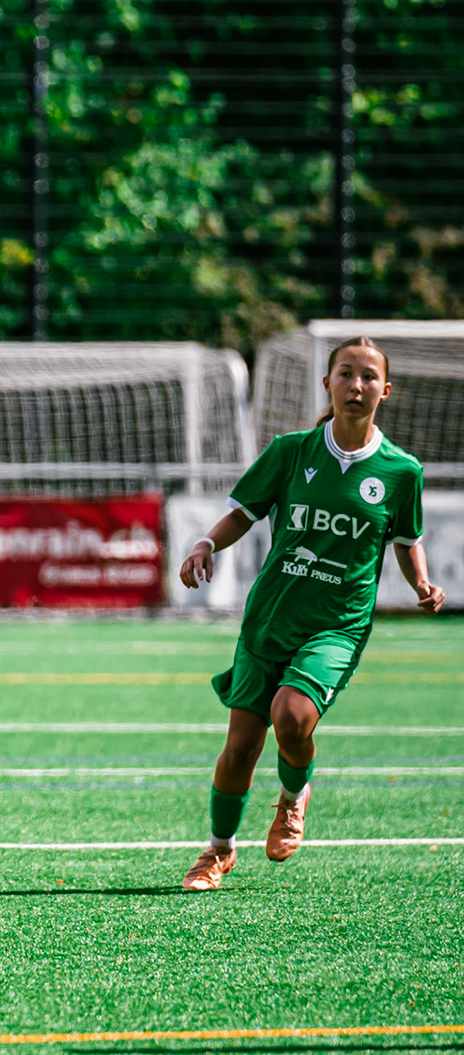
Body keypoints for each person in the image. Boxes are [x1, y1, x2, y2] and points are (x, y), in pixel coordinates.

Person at [178, 336, 444, 890]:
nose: (357, 384)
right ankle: (218, 851)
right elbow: (242, 513)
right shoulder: (292, 451)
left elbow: (407, 536)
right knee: (239, 750)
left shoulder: (401, 471)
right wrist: (205, 543)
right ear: (328, 384)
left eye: (369, 376)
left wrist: (421, 581)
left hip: (336, 625)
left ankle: (293, 798)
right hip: (271, 618)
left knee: (293, 714)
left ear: (385, 390)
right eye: (346, 373)